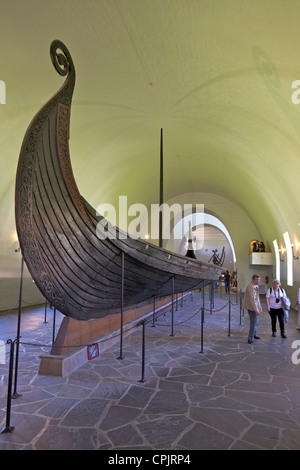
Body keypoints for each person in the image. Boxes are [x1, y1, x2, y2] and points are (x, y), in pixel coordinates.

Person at [242, 274, 262, 343]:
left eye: (259, 279)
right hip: (251, 307)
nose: (258, 281)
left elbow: (256, 298)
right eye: (257, 279)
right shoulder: (251, 287)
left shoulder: (255, 285)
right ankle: (250, 338)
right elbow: (252, 299)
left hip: (254, 306)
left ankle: (254, 334)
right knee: (253, 322)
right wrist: (256, 309)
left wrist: (258, 307)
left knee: (255, 322)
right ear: (253, 279)